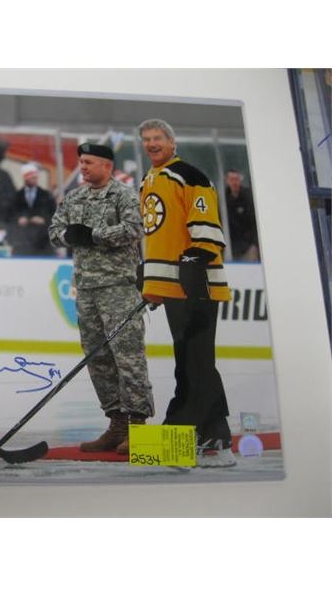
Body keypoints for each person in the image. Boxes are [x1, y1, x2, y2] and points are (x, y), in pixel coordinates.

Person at [137, 118, 236, 467]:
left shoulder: (190, 174)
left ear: (172, 142)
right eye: (147, 139)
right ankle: (216, 431)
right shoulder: (149, 180)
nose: (152, 143)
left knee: (194, 360)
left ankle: (182, 430)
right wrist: (148, 276)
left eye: (158, 138)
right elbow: (156, 232)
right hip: (170, 284)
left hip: (196, 282)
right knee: (192, 358)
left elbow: (205, 223)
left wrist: (198, 257)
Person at [49, 143, 154, 455]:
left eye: (89, 162)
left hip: (118, 287)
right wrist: (69, 236)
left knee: (128, 356)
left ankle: (136, 425)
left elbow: (135, 229)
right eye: (81, 162)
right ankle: (116, 423)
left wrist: (94, 235)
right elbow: (55, 230)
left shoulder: (123, 195)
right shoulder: (75, 197)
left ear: (107, 166)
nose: (83, 167)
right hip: (86, 288)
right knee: (98, 358)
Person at [7, 162, 56, 256]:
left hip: (43, 243)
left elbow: (54, 215)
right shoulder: (16, 196)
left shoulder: (46, 195)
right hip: (22, 243)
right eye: (32, 177)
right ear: (26, 178)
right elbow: (9, 216)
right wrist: (19, 219)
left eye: (36, 177)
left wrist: (44, 220)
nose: (35, 180)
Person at [224, 169, 260, 261]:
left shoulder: (248, 196)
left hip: (248, 247)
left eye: (236, 179)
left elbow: (254, 222)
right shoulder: (223, 198)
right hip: (230, 248)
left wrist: (255, 244)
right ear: (227, 181)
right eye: (232, 179)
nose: (234, 182)